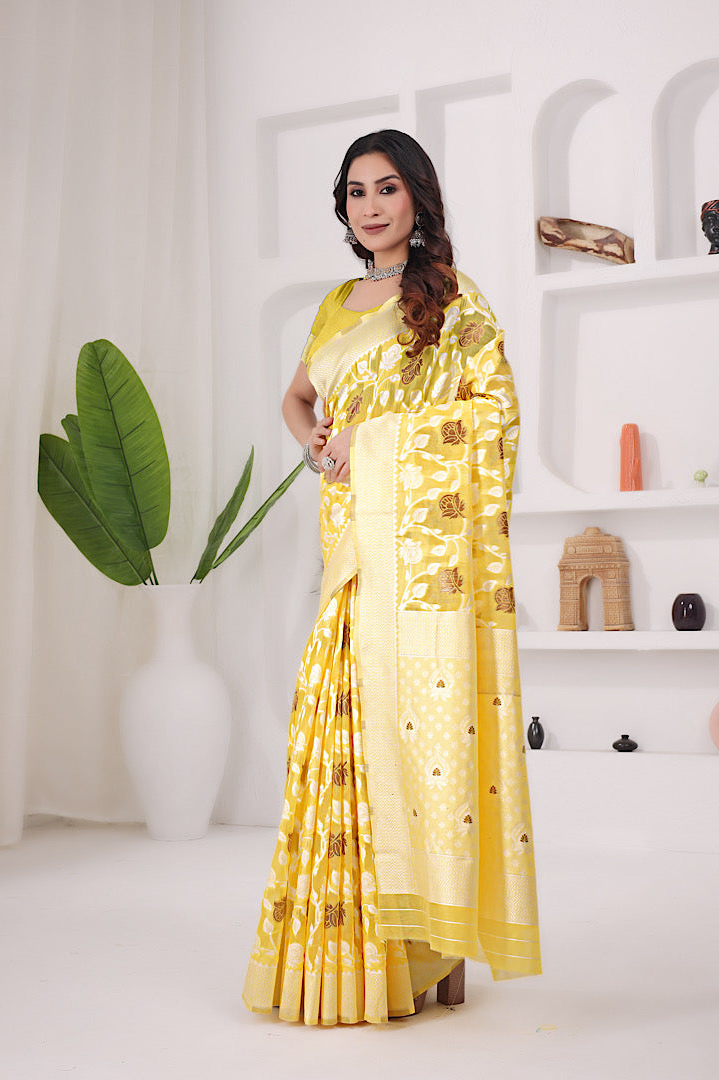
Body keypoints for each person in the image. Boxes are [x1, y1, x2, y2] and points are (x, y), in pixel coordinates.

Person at [242, 129, 541, 1026]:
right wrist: (318, 445)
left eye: (386, 188)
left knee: (422, 740)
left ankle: (426, 944)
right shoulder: (337, 304)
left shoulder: (451, 297)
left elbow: (493, 417)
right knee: (344, 731)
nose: (369, 206)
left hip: (421, 565)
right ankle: (353, 950)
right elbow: (298, 399)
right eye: (355, 191)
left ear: (418, 197)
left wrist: (370, 443)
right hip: (352, 547)